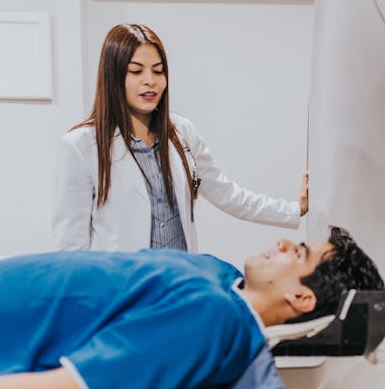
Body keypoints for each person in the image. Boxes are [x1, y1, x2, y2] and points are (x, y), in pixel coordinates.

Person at [0, 228, 384, 389]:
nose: (284, 243)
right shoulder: (218, 276)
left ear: (302, 298)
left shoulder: (213, 318)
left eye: (298, 252)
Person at [53, 23, 308, 252]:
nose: (150, 81)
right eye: (136, 71)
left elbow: (228, 194)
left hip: (179, 284)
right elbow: (70, 247)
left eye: (158, 71)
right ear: (113, 76)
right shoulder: (82, 146)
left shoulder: (181, 132)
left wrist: (294, 209)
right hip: (123, 291)